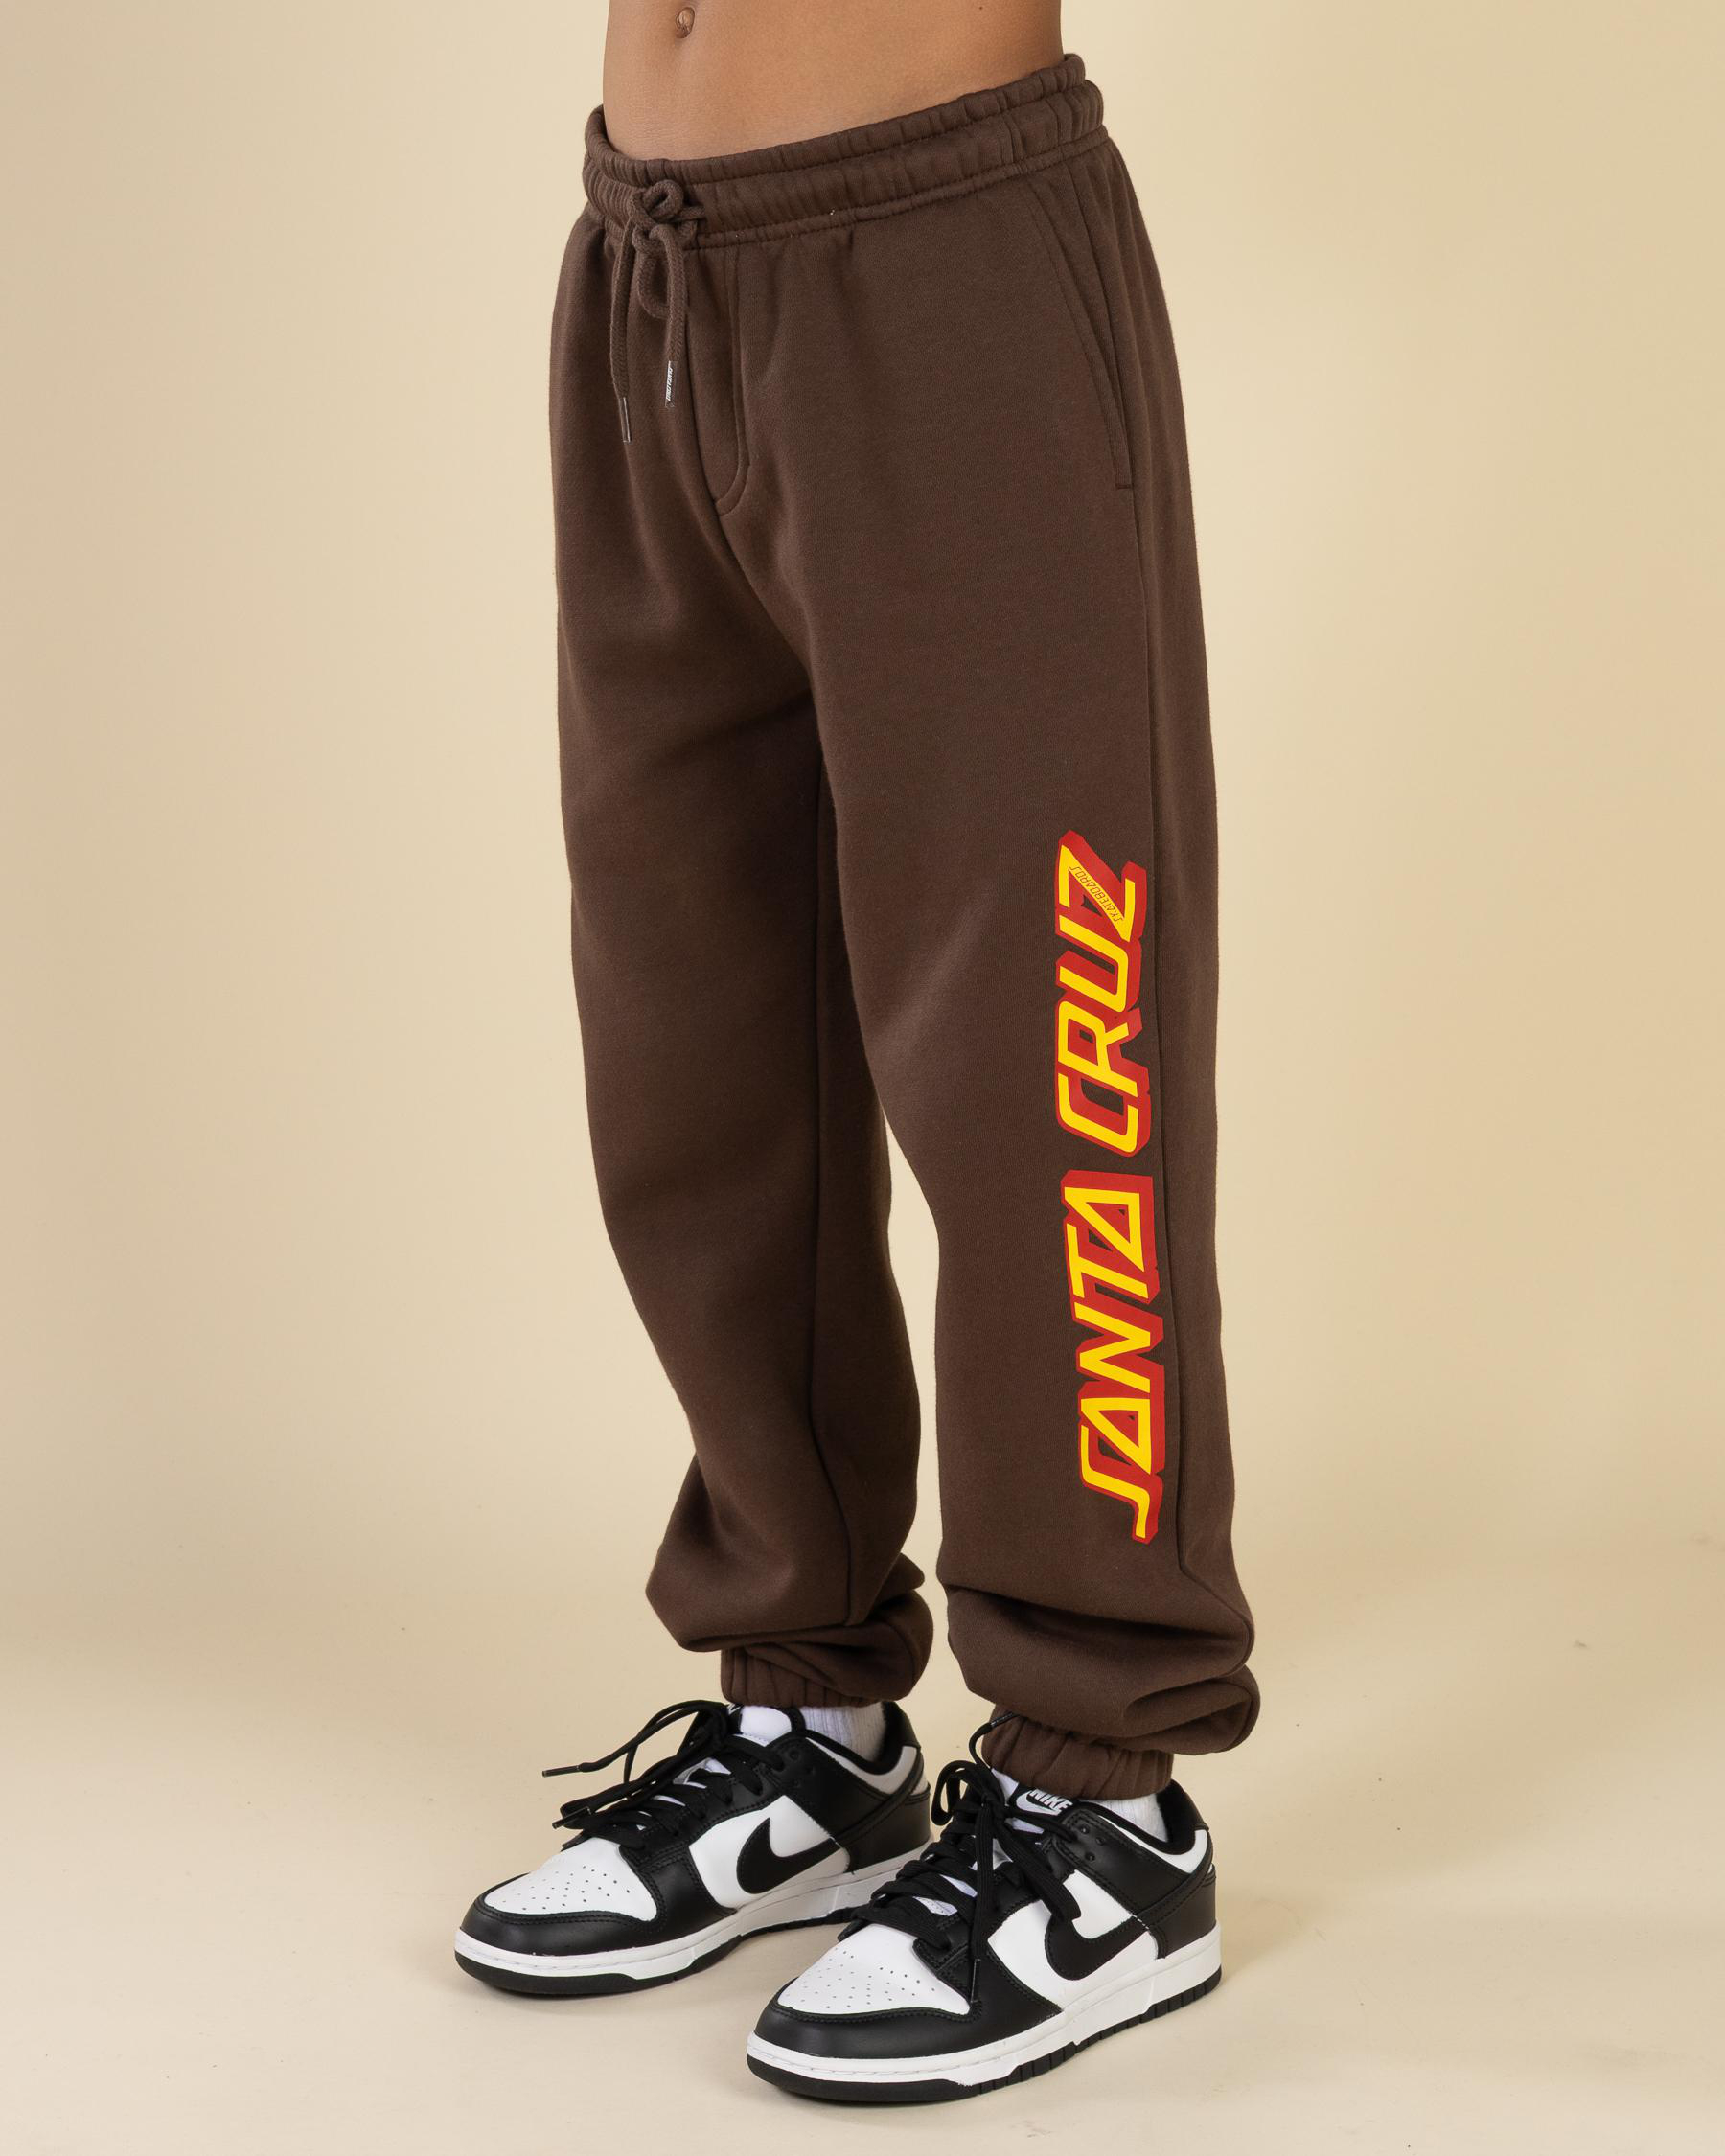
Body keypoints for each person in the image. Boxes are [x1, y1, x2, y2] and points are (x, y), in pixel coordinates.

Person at [454, 0, 1257, 2103]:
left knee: (1043, 1065)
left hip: (942, 257)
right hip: (646, 275)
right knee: (700, 1046)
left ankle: (1106, 1799)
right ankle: (810, 1716)